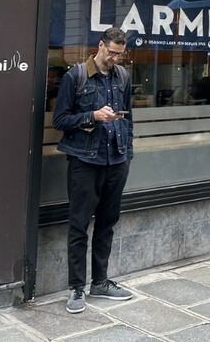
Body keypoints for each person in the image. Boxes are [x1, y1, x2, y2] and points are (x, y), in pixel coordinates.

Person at [52, 27, 135, 314]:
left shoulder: (122, 76)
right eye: (111, 52)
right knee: (78, 226)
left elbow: (129, 119)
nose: (115, 58)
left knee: (107, 224)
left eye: (119, 54)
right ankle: (77, 288)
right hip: (84, 162)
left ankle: (100, 282)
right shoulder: (75, 76)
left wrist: (128, 155)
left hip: (116, 160)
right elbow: (59, 120)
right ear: (100, 46)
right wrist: (93, 115)